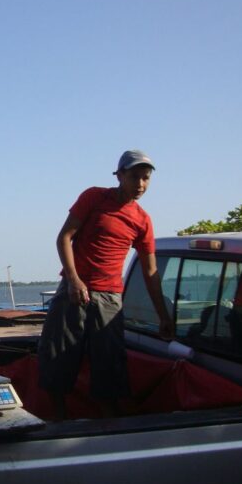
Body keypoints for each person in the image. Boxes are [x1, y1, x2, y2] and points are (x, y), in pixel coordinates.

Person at [38, 149, 173, 420]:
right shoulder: (94, 197)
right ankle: (58, 419)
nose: (140, 185)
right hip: (75, 291)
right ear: (120, 175)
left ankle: (108, 421)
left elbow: (150, 271)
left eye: (146, 178)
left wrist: (163, 316)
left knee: (109, 363)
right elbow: (64, 237)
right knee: (59, 356)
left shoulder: (142, 220)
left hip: (111, 297)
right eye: (135, 177)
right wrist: (74, 280)